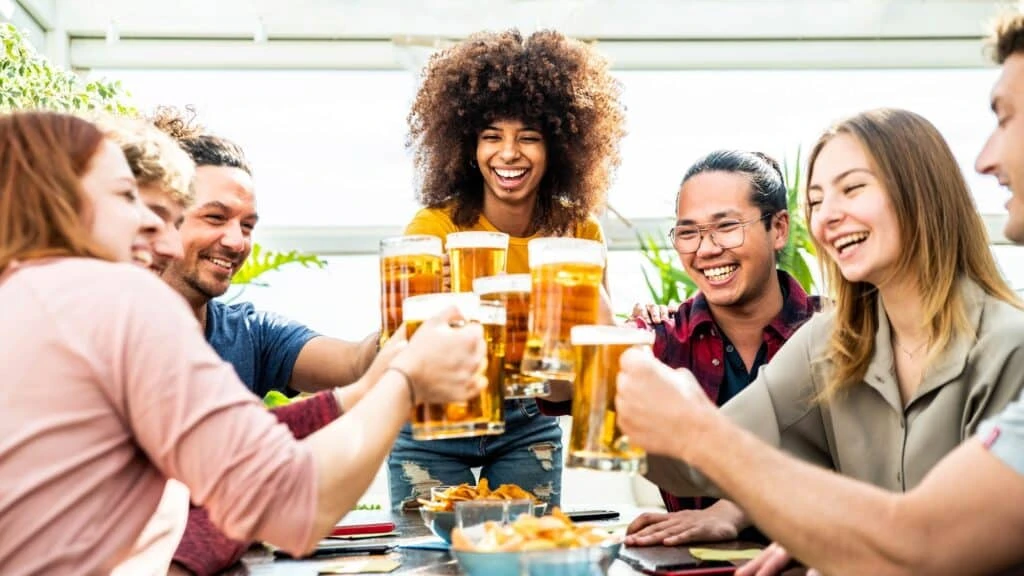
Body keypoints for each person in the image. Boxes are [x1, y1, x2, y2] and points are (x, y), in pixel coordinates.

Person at [0, 111, 489, 575]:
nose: (162, 239)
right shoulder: (122, 302)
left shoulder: (31, 300)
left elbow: (225, 452)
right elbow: (288, 505)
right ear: (58, 202)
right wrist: (405, 382)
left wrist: (370, 386)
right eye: (127, 196)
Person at [615, 92, 1024, 576]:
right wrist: (618, 387)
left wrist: (835, 536)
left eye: (852, 189)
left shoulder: (1007, 347)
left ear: (922, 191)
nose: (827, 215)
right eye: (816, 199)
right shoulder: (828, 341)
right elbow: (696, 466)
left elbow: (940, 547)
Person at [391, 28, 626, 510]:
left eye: (529, 138)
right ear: (466, 146)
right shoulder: (434, 227)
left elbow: (580, 372)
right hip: (436, 417)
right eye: (491, 136)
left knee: (528, 550)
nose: (508, 153)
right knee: (427, 555)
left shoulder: (579, 234)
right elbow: (402, 349)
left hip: (527, 417)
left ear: (558, 148)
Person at [613, 150, 819, 546]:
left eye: (727, 227)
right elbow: (567, 384)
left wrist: (733, 510)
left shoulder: (833, 333)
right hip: (693, 565)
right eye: (688, 232)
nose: (706, 249)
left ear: (778, 229)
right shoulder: (663, 337)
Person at [150, 106, 379, 398]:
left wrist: (413, 323)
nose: (236, 242)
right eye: (215, 218)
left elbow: (356, 363)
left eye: (247, 226)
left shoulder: (250, 336)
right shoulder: (106, 334)